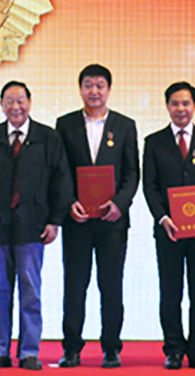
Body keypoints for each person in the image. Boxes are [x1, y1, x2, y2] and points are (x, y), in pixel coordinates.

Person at [0, 81, 74, 371]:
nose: (15, 107)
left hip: (33, 227)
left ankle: (29, 352)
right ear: (1, 104)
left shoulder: (48, 138)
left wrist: (55, 221)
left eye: (20, 100)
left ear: (30, 102)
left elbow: (62, 181)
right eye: (9, 101)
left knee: (31, 292)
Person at [56, 65, 139, 369]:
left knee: (111, 286)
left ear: (109, 89)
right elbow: (60, 171)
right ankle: (71, 348)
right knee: (74, 286)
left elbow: (132, 172)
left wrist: (120, 204)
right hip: (77, 220)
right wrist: (69, 204)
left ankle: (112, 348)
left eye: (100, 85)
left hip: (111, 221)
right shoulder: (65, 125)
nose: (94, 91)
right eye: (88, 85)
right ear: (80, 89)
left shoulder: (125, 125)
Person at [142, 82, 195, 371]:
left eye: (186, 103)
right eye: (175, 103)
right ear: (167, 106)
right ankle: (174, 349)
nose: (180, 109)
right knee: (170, 292)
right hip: (169, 232)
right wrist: (162, 218)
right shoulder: (154, 142)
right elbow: (149, 185)